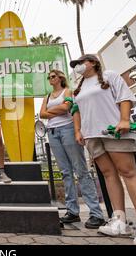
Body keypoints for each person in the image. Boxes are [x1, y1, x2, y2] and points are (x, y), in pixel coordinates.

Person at [71, 54, 136, 245]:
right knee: (108, 174)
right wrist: (78, 131)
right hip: (92, 135)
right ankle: (118, 220)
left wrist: (125, 119)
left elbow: (125, 97)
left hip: (113, 130)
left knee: (128, 172)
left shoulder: (110, 76)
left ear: (93, 62)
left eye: (80, 62)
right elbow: (76, 110)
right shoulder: (78, 89)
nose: (77, 66)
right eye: (75, 65)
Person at [40, 69, 105, 229]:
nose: (50, 78)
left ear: (60, 77)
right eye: (49, 77)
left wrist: (53, 111)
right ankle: (72, 212)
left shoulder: (67, 91)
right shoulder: (47, 97)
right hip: (52, 132)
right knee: (65, 172)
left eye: (53, 76)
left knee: (80, 170)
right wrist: (57, 109)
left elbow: (67, 107)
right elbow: (42, 114)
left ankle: (96, 213)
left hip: (68, 129)